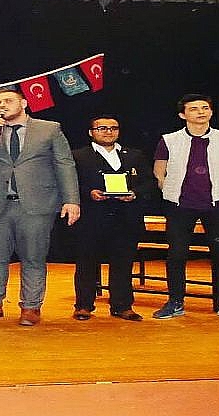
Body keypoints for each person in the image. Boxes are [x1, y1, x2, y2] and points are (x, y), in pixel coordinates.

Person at [0, 89, 80, 326]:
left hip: (37, 205)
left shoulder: (49, 129)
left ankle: (30, 307)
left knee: (33, 257)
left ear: (24, 103)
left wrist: (71, 200)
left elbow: (64, 164)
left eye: (8, 101)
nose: (2, 106)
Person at [152, 93, 219, 322]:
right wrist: (170, 191)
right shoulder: (169, 140)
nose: (200, 112)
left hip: (217, 205)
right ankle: (175, 302)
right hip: (180, 205)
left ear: (211, 112)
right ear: (182, 115)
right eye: (194, 109)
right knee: (176, 254)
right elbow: (159, 171)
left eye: (205, 108)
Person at [72, 115, 156, 322]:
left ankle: (122, 306)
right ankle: (83, 305)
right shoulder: (78, 156)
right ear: (91, 132)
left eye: (113, 128)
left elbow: (149, 182)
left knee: (123, 263)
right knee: (86, 262)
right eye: (102, 128)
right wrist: (88, 193)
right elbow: (70, 183)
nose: (108, 132)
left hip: (126, 218)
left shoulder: (134, 155)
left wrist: (135, 193)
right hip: (91, 218)